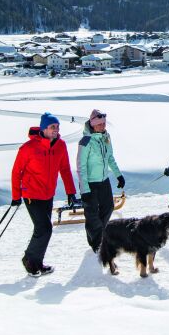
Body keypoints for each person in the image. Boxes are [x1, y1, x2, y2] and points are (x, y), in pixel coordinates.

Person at [11, 112, 77, 276]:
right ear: (44, 128)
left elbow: (65, 170)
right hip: (31, 194)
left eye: (57, 127)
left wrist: (70, 192)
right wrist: (15, 196)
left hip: (48, 194)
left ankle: (37, 263)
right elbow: (16, 172)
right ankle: (29, 260)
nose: (56, 130)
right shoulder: (29, 148)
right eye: (52, 127)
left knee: (43, 229)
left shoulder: (60, 146)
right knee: (45, 228)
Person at [77, 108, 125, 252]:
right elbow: (81, 166)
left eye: (103, 123)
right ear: (92, 124)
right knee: (92, 214)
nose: (102, 126)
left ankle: (100, 235)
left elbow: (110, 157)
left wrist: (118, 175)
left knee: (108, 207)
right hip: (90, 183)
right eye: (99, 124)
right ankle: (96, 242)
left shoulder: (106, 137)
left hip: (103, 180)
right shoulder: (85, 141)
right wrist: (85, 189)